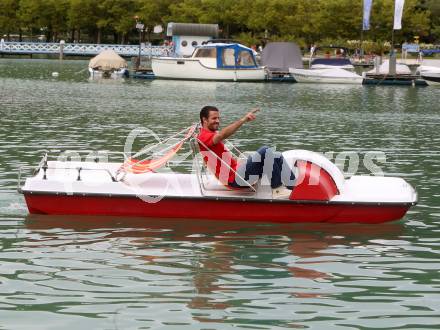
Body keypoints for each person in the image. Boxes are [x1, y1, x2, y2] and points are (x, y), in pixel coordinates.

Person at [197, 106, 295, 189]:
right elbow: (221, 135)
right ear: (204, 120)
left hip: (237, 172)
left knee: (276, 155)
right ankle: (277, 189)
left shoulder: (209, 133)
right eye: (214, 118)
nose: (217, 121)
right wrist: (243, 120)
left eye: (218, 118)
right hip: (234, 179)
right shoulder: (203, 136)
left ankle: (294, 188)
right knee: (265, 150)